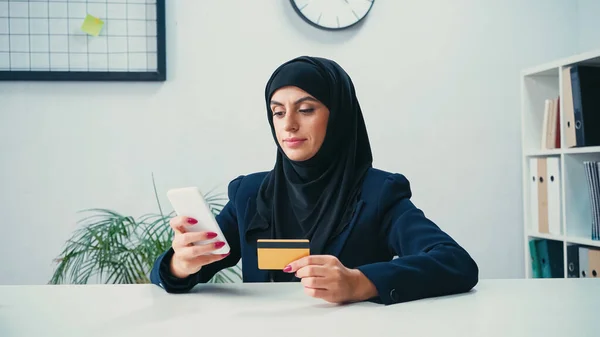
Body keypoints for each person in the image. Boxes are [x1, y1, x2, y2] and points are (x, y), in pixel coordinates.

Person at [150, 56, 479, 305]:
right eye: (278, 112)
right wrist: (181, 263)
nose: (289, 125)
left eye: (305, 109)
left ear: (338, 117)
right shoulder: (249, 194)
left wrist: (360, 282)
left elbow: (455, 262)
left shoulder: (378, 193)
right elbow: (173, 276)